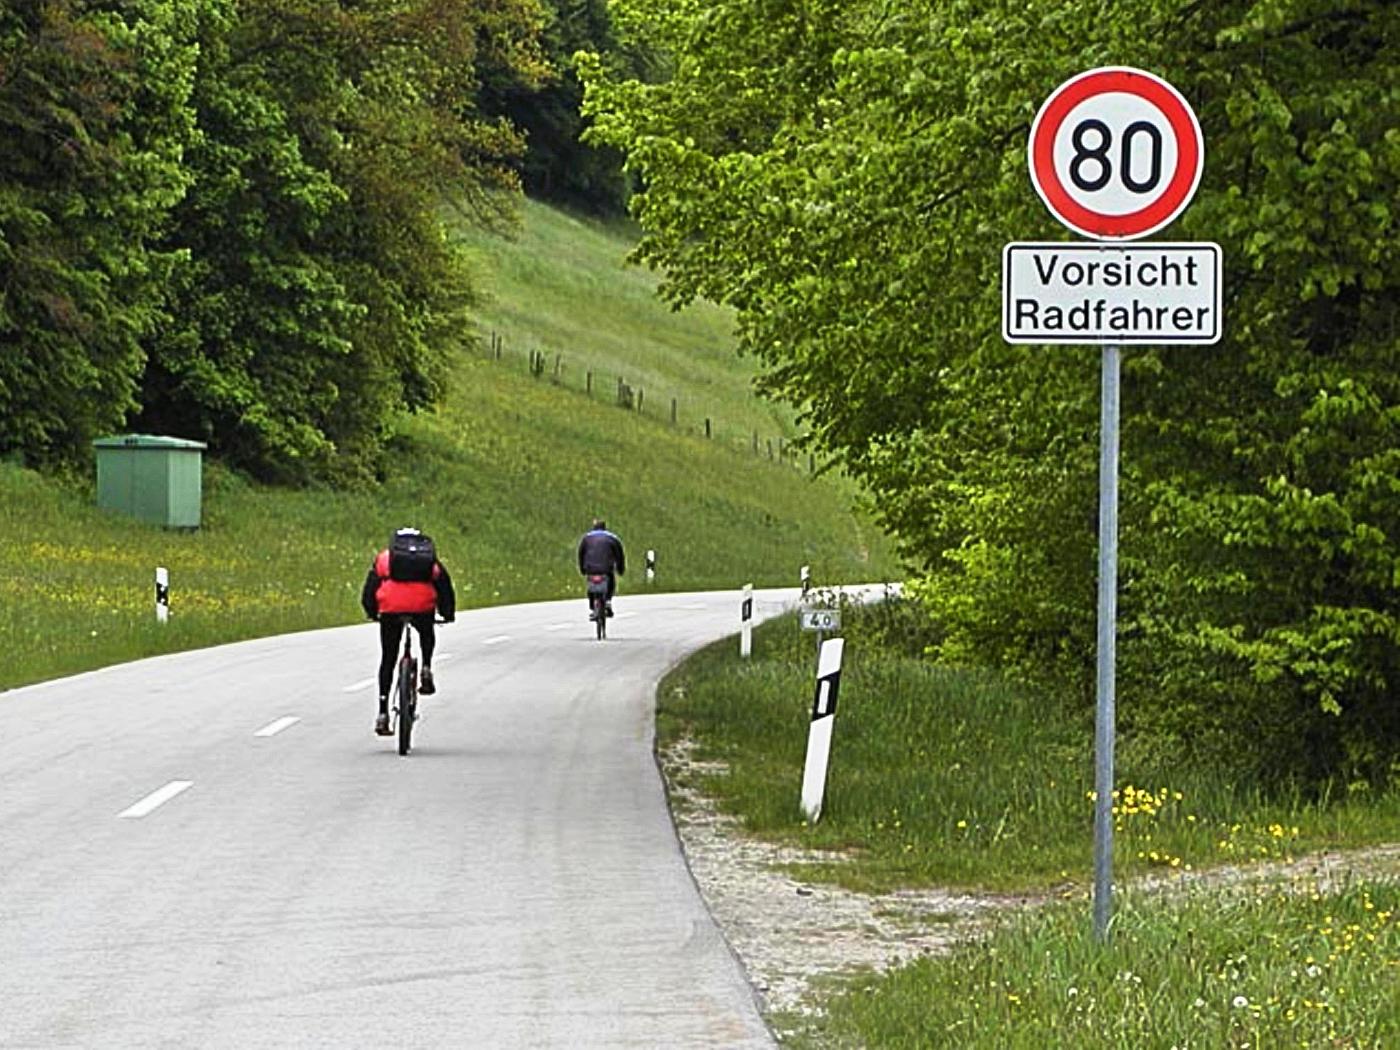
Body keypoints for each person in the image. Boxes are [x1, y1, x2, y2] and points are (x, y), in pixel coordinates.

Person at [360, 528, 455, 736]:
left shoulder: (384, 559)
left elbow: (370, 589)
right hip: (422, 607)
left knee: (388, 658)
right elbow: (444, 587)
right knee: (426, 632)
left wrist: (372, 612)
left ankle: (383, 713)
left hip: (391, 610)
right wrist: (447, 614)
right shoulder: (429, 560)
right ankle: (427, 667)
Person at [577, 517, 625, 620]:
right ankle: (607, 601)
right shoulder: (612, 538)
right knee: (611, 580)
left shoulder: (586, 538)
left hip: (590, 568)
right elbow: (619, 555)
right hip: (606, 568)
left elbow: (581, 554)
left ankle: (593, 606)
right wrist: (620, 569)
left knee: (590, 584)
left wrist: (582, 568)